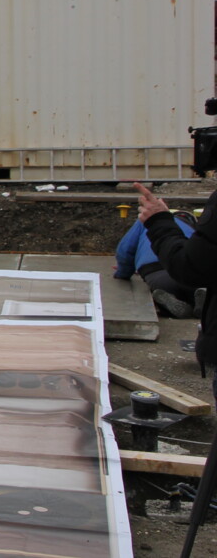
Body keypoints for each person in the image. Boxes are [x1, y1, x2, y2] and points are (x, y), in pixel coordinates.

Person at [137, 182, 217, 558]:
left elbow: (192, 266)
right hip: (170, 276)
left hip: (164, 272)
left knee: (168, 282)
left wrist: (157, 222)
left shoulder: (175, 232)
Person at [113, 213, 199, 318]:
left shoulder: (146, 221)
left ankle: (170, 307)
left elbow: (125, 251)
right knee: (198, 290)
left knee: (166, 289)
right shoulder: (197, 232)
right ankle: (199, 303)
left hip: (155, 274)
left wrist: (123, 273)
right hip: (188, 275)